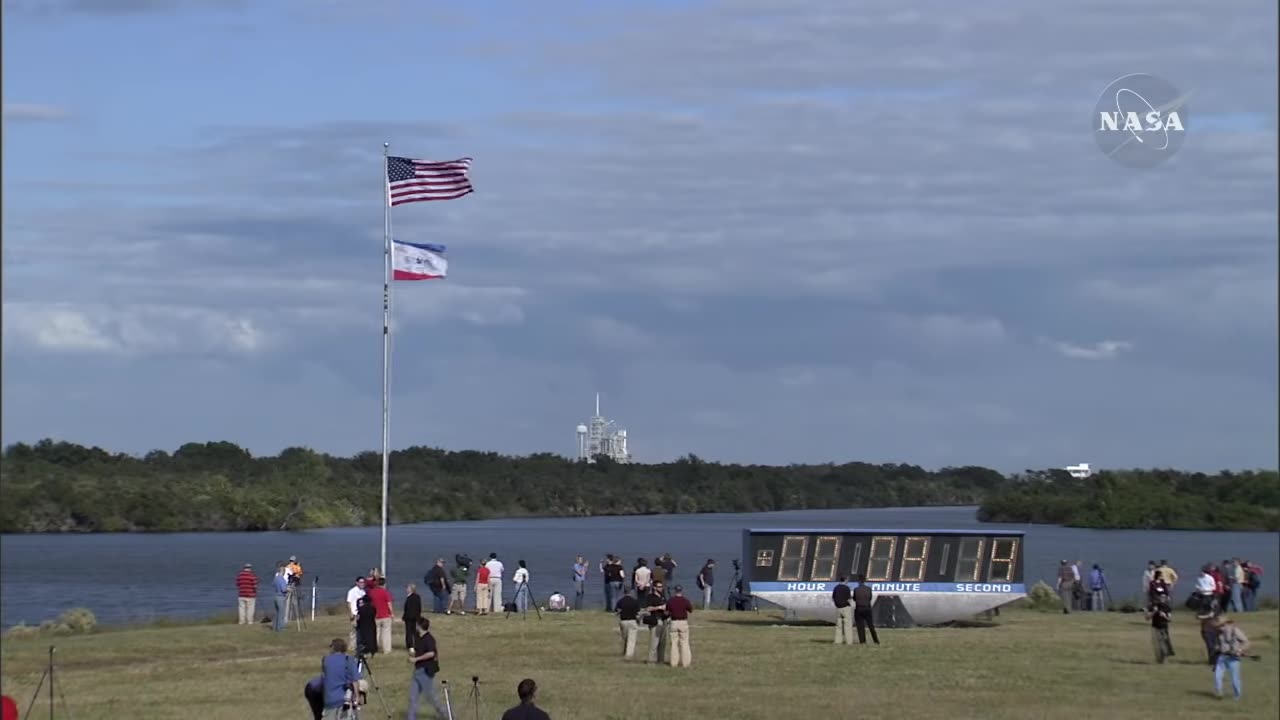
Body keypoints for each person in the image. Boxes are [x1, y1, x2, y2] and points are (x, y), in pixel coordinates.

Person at [407, 617, 448, 719]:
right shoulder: (417, 637)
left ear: (420, 626)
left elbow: (431, 653)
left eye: (417, 624)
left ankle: (448, 716)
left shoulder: (429, 639)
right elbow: (414, 648)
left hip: (425, 671)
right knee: (413, 698)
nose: (415, 626)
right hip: (417, 672)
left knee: (432, 698)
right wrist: (412, 653)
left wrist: (416, 659)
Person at [318, 638, 361, 720]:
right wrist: (357, 696)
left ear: (333, 648)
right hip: (344, 699)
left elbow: (324, 675)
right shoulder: (348, 660)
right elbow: (355, 680)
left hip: (329, 698)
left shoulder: (326, 659)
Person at [1212, 616, 1250, 700]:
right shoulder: (1218, 633)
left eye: (1220, 626)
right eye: (1217, 627)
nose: (1219, 628)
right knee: (1217, 676)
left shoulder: (1235, 631)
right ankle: (1219, 693)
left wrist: (1239, 650)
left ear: (1225, 624)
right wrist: (1217, 648)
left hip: (1233, 658)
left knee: (1234, 678)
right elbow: (1218, 644)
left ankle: (1237, 695)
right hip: (1222, 657)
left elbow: (1246, 642)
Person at [666, 585, 694, 667]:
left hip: (674, 622)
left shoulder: (671, 601)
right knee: (684, 643)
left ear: (675, 591)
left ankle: (673, 662)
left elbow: (667, 612)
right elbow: (691, 610)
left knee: (674, 644)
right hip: (683, 622)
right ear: (681, 591)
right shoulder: (685, 601)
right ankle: (686, 662)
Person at [366, 577, 394, 654]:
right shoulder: (386, 592)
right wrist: (391, 613)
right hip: (385, 615)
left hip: (375, 616)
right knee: (386, 633)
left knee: (375, 633)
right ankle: (387, 649)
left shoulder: (372, 592)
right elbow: (389, 604)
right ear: (384, 584)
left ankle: (374, 648)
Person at [643, 580, 669, 663]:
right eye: (659, 587)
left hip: (664, 619)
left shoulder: (663, 596)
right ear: (654, 587)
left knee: (663, 642)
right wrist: (659, 607)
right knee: (654, 642)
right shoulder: (650, 597)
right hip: (655, 620)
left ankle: (661, 660)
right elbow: (648, 608)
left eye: (662, 587)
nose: (661, 588)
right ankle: (651, 660)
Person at [615, 587, 641, 660]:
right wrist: (638, 621)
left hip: (623, 621)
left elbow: (617, 611)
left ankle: (624, 651)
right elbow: (638, 614)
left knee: (625, 638)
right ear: (631, 592)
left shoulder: (620, 601)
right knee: (631, 639)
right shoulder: (635, 601)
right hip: (632, 621)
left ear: (624, 592)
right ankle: (629, 654)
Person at [852, 574, 879, 645]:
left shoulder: (856, 590)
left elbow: (854, 598)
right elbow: (870, 598)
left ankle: (862, 641)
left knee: (860, 626)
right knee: (871, 625)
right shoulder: (868, 589)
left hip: (859, 608)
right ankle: (876, 640)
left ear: (858, 581)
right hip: (867, 608)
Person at [1149, 594, 1174, 663]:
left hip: (1164, 627)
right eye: (1161, 597)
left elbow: (1169, 619)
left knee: (1164, 643)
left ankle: (1164, 659)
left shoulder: (1167, 607)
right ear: (1158, 598)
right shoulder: (1155, 606)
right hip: (1155, 627)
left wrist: (1164, 616)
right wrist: (1154, 612)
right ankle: (1160, 659)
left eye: (1164, 597)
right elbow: (1147, 618)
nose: (1162, 599)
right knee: (1158, 644)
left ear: (1166, 599)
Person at [831, 575, 853, 645]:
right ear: (846, 580)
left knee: (839, 626)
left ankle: (838, 641)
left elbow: (833, 598)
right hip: (845, 608)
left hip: (838, 608)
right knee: (848, 626)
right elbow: (849, 599)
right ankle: (849, 641)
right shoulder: (847, 588)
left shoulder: (836, 588)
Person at [403, 583, 423, 650]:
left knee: (409, 632)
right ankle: (417, 644)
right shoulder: (418, 597)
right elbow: (419, 607)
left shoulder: (409, 598)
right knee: (415, 632)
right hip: (416, 617)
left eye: (408, 588)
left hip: (409, 617)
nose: (406, 589)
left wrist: (404, 616)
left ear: (411, 589)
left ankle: (410, 645)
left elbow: (407, 608)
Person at [272, 563, 290, 631]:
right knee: (281, 613)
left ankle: (275, 627)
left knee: (276, 613)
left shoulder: (276, 578)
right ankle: (280, 628)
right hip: (281, 597)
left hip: (276, 596)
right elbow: (284, 589)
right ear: (282, 571)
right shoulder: (281, 579)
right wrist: (289, 589)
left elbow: (273, 585)